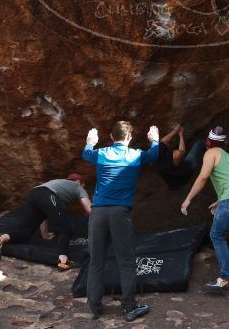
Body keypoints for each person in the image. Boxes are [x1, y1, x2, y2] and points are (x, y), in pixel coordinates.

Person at [82, 121, 160, 322]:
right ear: (130, 137)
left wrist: (91, 141)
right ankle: (129, 307)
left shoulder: (101, 154)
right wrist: (155, 140)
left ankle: (95, 307)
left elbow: (86, 153)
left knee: (96, 262)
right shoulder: (135, 155)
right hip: (119, 213)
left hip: (97, 212)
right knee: (126, 263)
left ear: (110, 136)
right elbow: (153, 155)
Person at [180, 126, 229, 292]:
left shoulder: (210, 153)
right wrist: (220, 200)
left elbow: (203, 177)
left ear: (209, 142)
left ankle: (225, 278)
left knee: (216, 234)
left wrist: (188, 199)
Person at [0, 173, 91, 271]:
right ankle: (63, 261)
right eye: (83, 186)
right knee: (65, 227)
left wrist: (45, 235)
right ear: (78, 182)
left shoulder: (57, 184)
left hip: (33, 194)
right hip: (47, 194)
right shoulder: (78, 187)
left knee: (26, 231)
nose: (83, 188)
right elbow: (89, 209)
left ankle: (1, 238)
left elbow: (44, 215)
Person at [153, 124, 204, 191]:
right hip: (186, 173)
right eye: (166, 145)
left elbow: (162, 141)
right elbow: (181, 152)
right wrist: (181, 135)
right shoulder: (174, 156)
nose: (166, 143)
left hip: (172, 183)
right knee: (199, 143)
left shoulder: (153, 158)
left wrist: (175, 131)